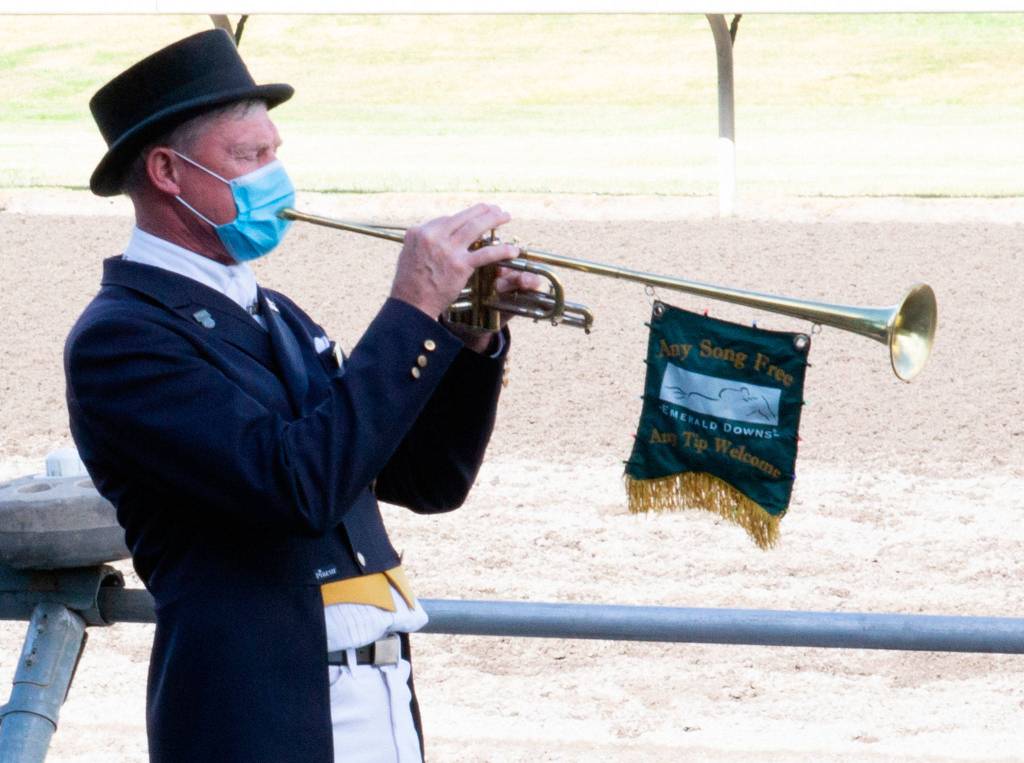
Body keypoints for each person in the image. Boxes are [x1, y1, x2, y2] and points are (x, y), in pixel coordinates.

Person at [64, 29, 536, 763]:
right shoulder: (122, 339)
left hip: (380, 695)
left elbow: (425, 478)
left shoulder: (274, 312)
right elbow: (297, 485)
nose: (273, 176)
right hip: (263, 717)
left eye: (274, 153)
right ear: (167, 171)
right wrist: (410, 311)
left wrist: (468, 338)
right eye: (248, 158)